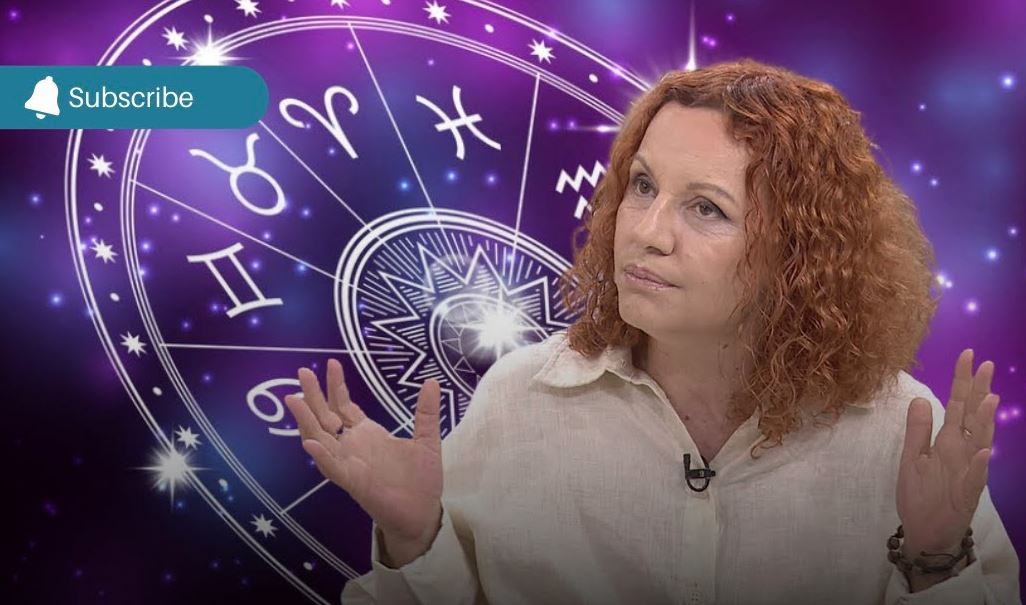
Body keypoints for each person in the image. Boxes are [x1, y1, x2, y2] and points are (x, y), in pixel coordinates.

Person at [283, 59, 1021, 604]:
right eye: (642, 186)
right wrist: (416, 540)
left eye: (706, 208)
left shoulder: (901, 430)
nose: (646, 232)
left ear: (800, 254)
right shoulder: (520, 398)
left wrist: (936, 560)